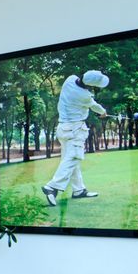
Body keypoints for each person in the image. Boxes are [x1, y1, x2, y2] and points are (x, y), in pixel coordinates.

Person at [42, 70, 109, 207]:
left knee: (72, 161)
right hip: (74, 130)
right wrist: (103, 112)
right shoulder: (84, 95)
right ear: (90, 85)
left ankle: (79, 190)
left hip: (63, 129)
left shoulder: (70, 79)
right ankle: (52, 187)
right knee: (73, 158)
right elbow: (94, 105)